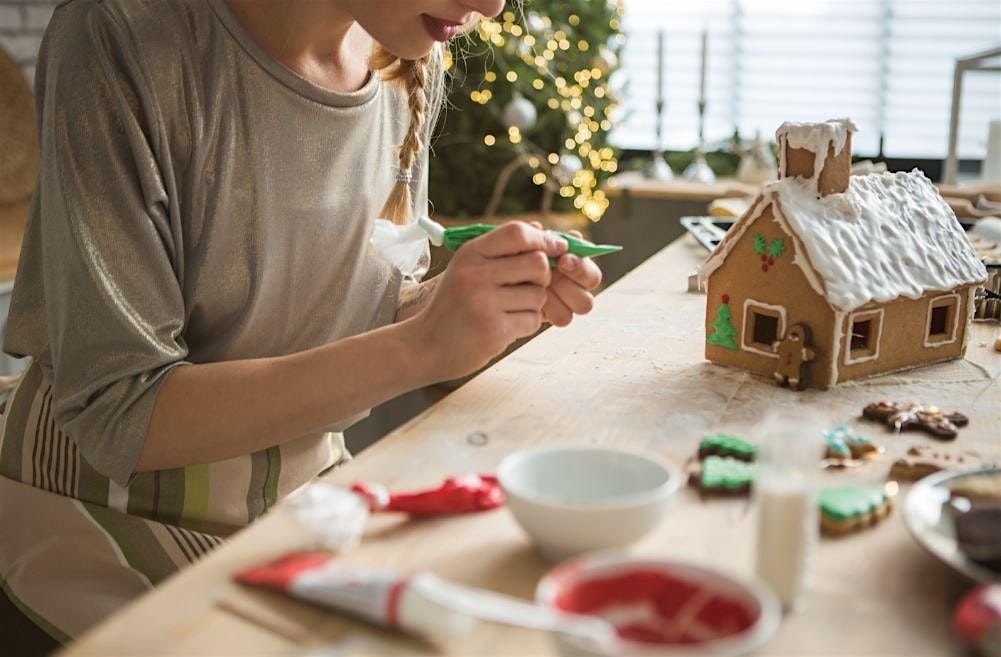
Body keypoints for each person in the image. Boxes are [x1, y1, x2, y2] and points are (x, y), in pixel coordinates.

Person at [0, 0, 603, 648]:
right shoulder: (119, 34)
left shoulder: (402, 55)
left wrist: (477, 306)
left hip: (298, 509)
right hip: (91, 528)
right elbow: (120, 413)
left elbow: (349, 310)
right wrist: (420, 346)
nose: (492, 4)